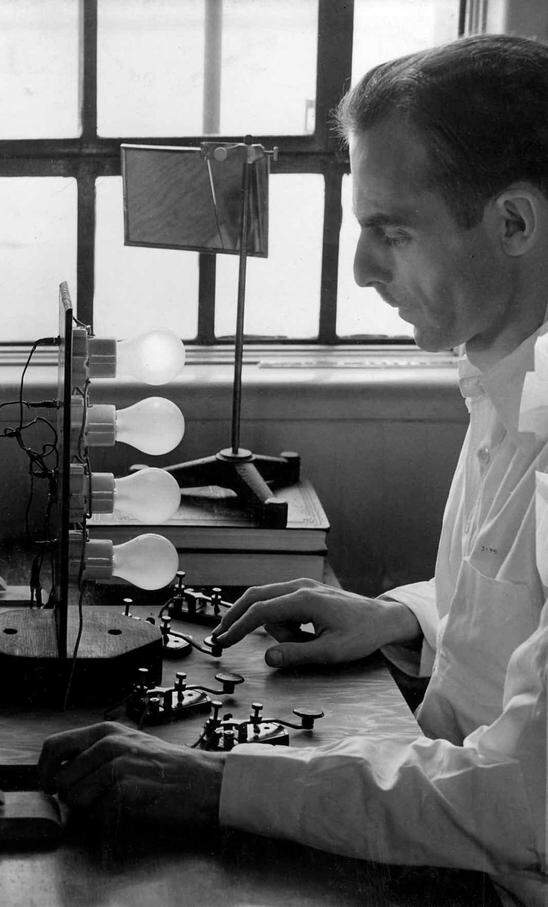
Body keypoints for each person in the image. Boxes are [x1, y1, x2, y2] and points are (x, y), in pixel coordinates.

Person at [40, 34, 547, 906]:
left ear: (513, 223)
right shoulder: (505, 370)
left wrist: (223, 783)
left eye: (392, 232)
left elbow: (525, 804)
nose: (359, 270)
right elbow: (518, 607)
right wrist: (399, 615)